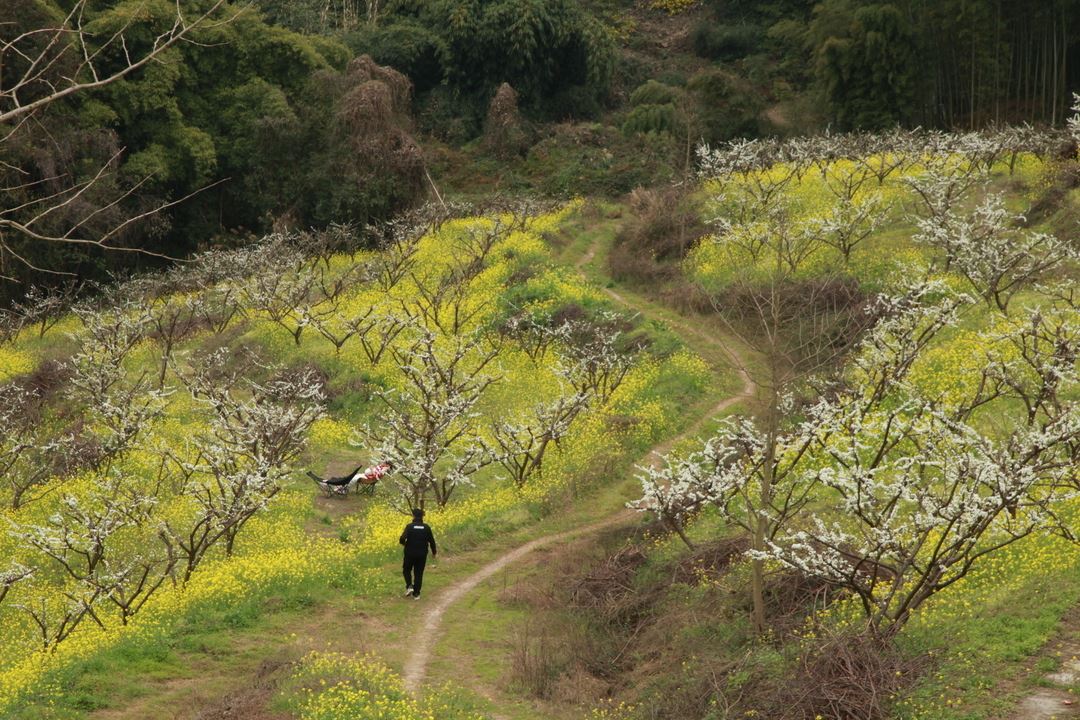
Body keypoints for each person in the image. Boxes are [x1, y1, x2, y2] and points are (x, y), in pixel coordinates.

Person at [400, 507, 437, 599]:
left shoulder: (409, 526)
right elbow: (432, 541)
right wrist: (434, 552)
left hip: (410, 553)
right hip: (422, 554)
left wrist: (405, 544)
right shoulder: (426, 527)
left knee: (406, 569)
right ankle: (416, 594)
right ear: (422, 517)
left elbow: (402, 539)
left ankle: (409, 586)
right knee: (419, 573)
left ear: (413, 516)